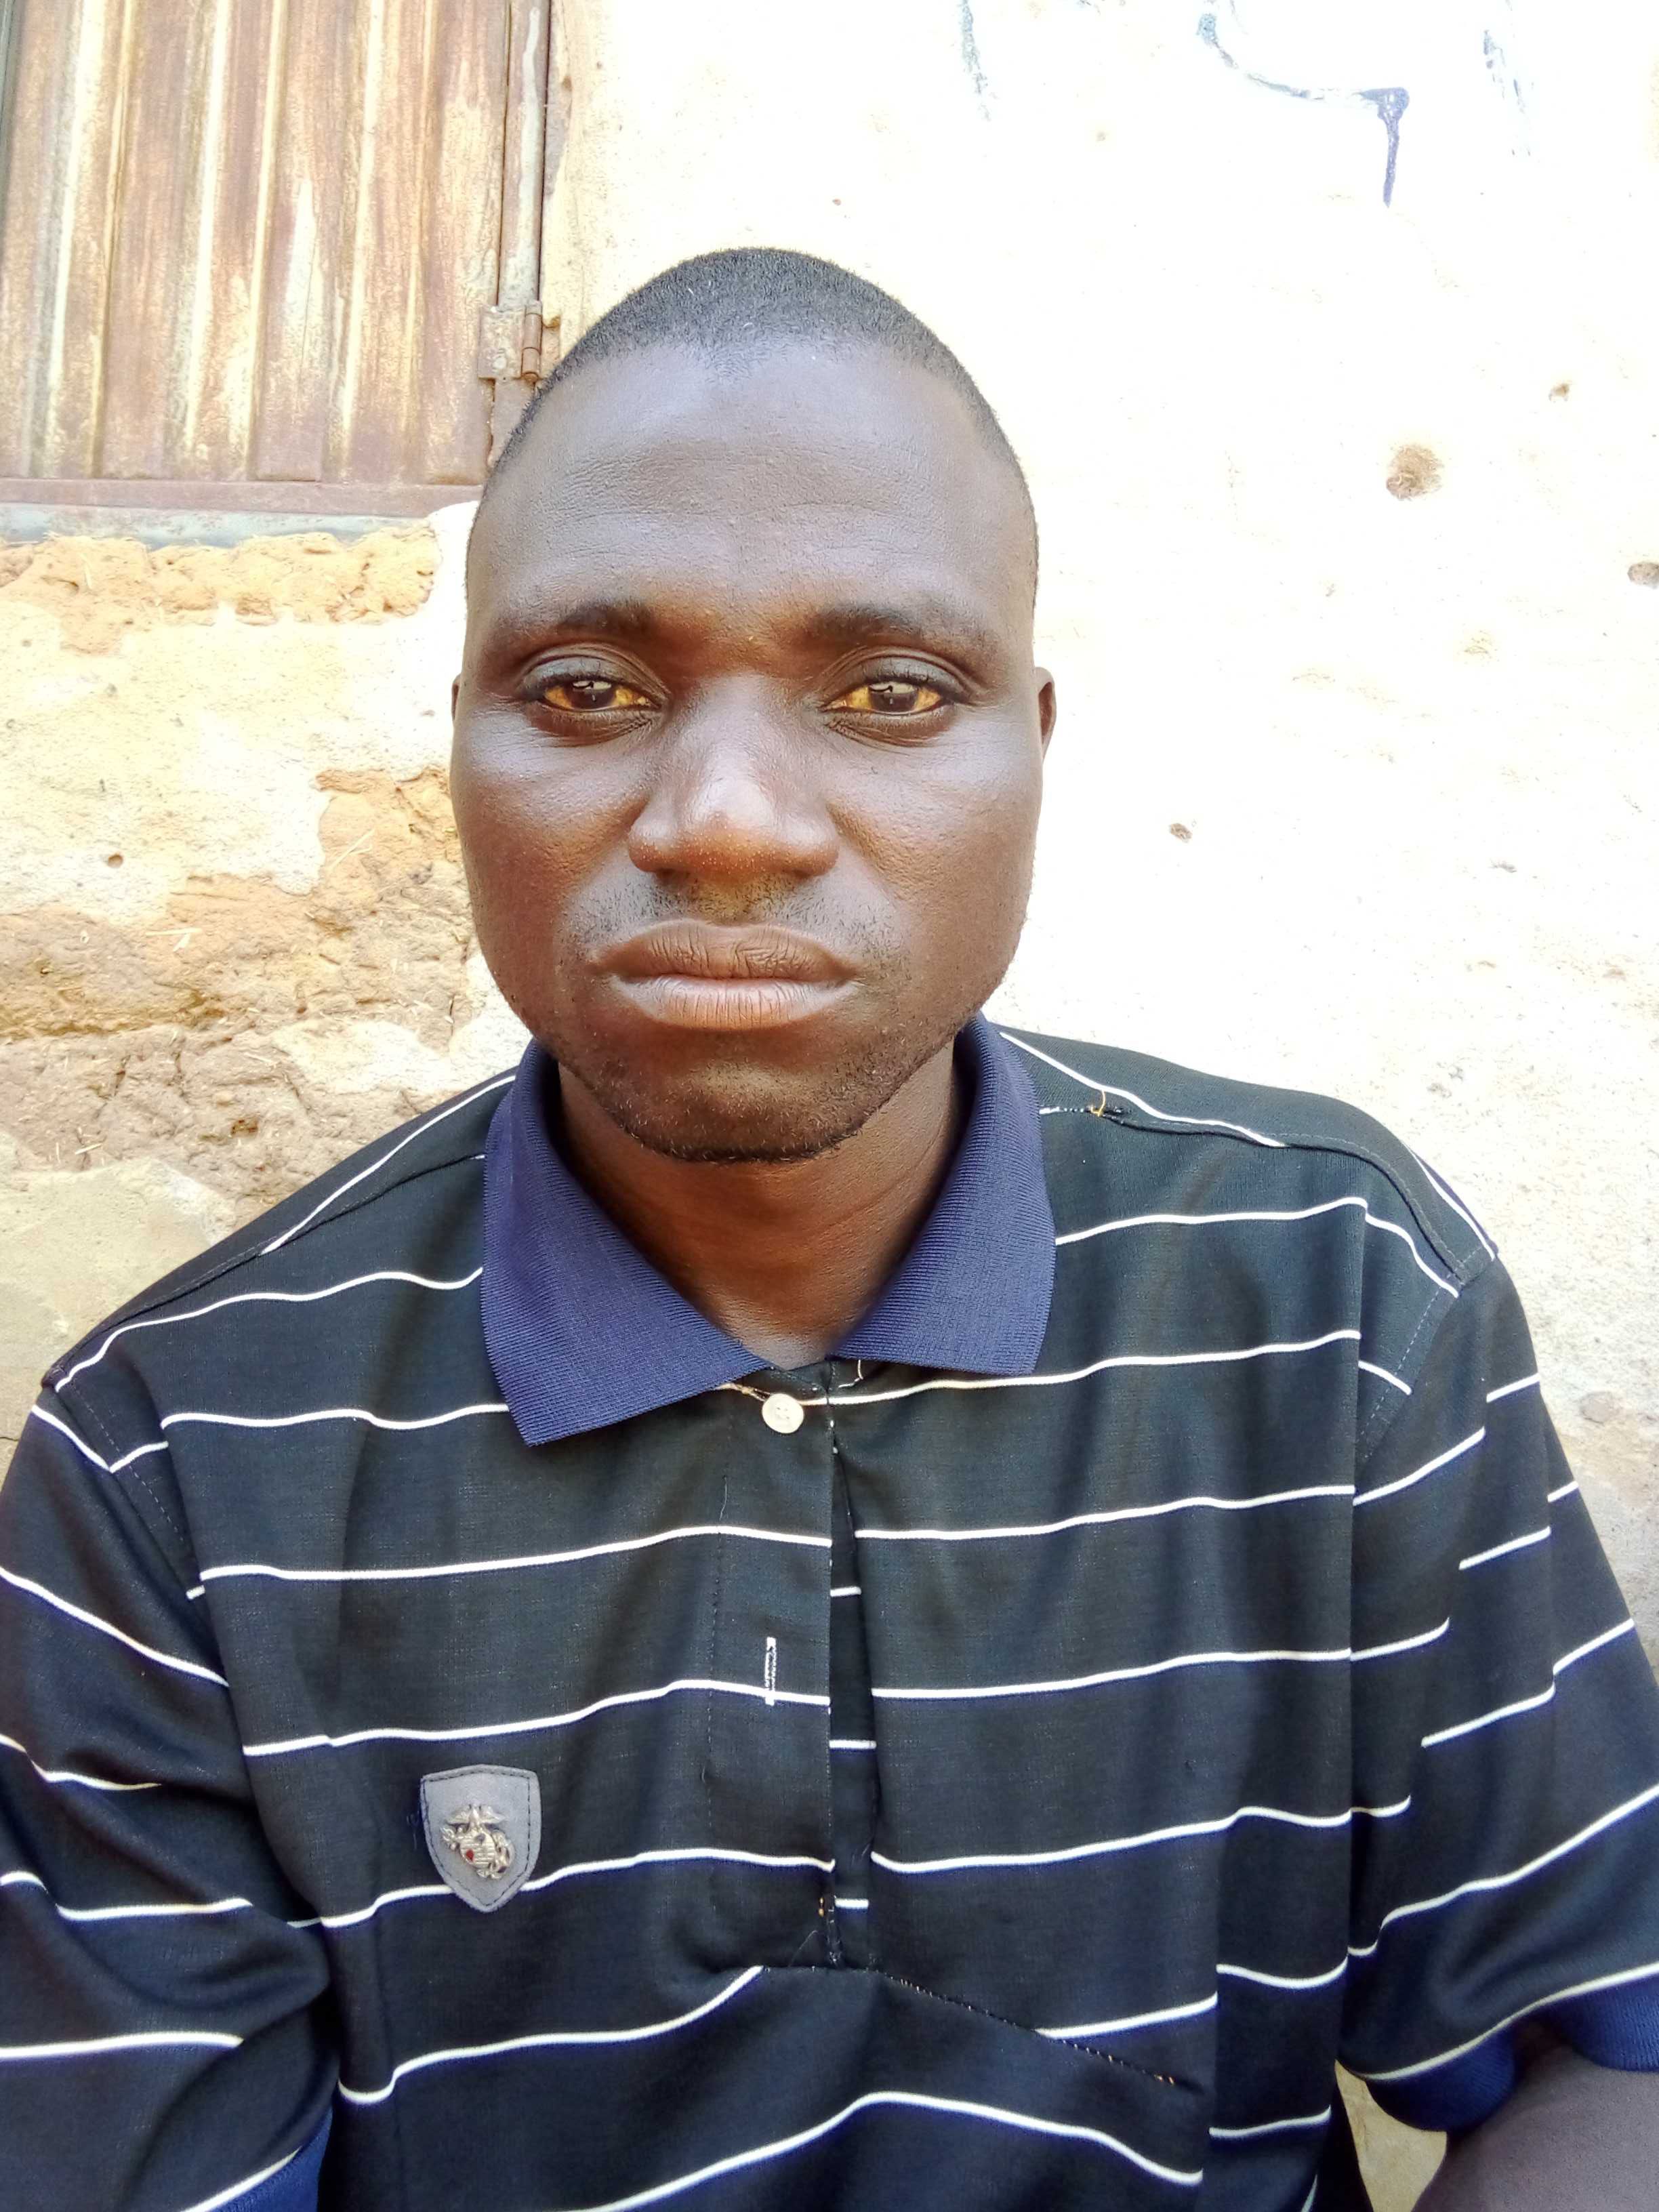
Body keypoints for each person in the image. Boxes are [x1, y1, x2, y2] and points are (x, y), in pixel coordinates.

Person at [1, 249, 1655, 2212]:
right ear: (458, 746)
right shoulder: (178, 1449)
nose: (727, 820)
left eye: (888, 694)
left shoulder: (1333, 1299)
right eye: (588, 691)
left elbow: (1602, 2050)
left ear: (1034, 749)